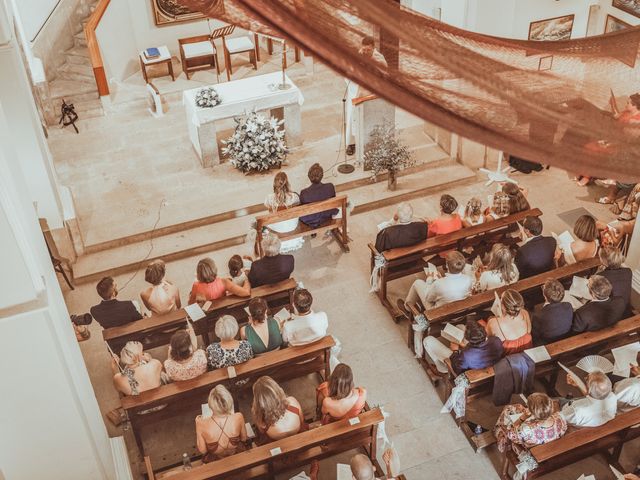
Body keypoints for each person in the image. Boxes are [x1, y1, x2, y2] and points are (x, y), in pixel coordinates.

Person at [423, 317, 504, 374]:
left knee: (427, 340)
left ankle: (442, 369)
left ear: (468, 338)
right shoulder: (496, 340)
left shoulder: (465, 355)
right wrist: (463, 345)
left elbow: (457, 369)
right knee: (460, 326)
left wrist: (455, 351)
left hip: (468, 370)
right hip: (485, 364)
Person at [494, 392, 567, 455]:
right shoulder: (559, 417)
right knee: (518, 407)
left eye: (528, 406)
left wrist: (522, 417)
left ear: (534, 414)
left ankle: (499, 437)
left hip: (531, 450)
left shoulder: (526, 429)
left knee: (506, 416)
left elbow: (510, 433)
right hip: (548, 442)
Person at [399, 251, 472, 313]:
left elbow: (428, 298)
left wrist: (429, 279)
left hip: (438, 314)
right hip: (459, 313)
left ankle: (407, 308)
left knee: (417, 283)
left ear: (446, 265)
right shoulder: (468, 279)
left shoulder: (439, 284)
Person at [196, 385, 248, 463]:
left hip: (216, 460)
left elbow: (203, 451)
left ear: (210, 405)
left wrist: (197, 423)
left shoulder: (201, 423)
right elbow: (244, 438)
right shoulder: (238, 417)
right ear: (229, 401)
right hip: (236, 453)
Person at [252, 376, 306, 443]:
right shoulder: (292, 402)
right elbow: (302, 421)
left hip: (276, 447)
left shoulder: (260, 418)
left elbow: (262, 432)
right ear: (277, 390)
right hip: (300, 440)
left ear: (259, 400)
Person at [264, 171, 303, 252]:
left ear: (274, 184)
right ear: (287, 184)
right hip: (292, 225)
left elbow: (268, 209)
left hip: (277, 227)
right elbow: (298, 205)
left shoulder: (269, 198)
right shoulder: (294, 196)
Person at [486, 290, 532, 355]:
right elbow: (529, 331)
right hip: (527, 352)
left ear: (503, 306)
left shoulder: (493, 323)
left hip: (509, 358)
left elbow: (488, 338)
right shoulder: (525, 313)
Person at [532, 279, 573, 345]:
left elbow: (535, 335)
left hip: (547, 341)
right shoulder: (568, 306)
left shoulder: (538, 315)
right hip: (566, 335)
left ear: (545, 296)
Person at [299, 163, 338, 228]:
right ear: (322, 176)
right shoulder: (330, 186)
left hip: (311, 220)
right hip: (327, 215)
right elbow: (333, 200)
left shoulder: (304, 193)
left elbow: (304, 209)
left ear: (309, 176)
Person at [597, 247, 633, 313]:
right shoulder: (628, 271)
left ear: (604, 261)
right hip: (626, 309)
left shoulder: (601, 276)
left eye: (600, 257)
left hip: (611, 312)